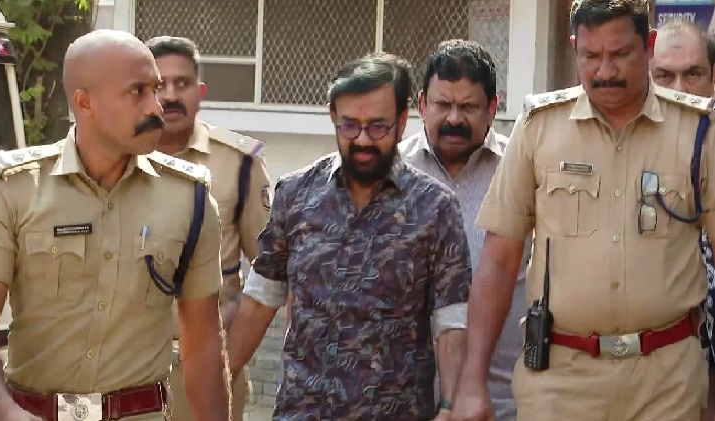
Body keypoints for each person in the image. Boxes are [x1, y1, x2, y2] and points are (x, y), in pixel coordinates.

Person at [451, 1, 714, 420]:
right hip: (560, 382)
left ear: (648, 46)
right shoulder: (539, 125)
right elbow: (499, 260)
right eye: (591, 56)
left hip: (667, 384)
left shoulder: (699, 131)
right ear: (575, 47)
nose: (605, 71)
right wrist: (471, 381)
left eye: (620, 54)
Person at [0, 29, 229, 421]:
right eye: (137, 92)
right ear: (85, 103)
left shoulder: (190, 198)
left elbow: (202, 343)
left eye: (154, 90)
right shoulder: (14, 187)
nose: (156, 107)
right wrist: (4, 412)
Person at [226, 53, 473, 420]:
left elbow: (451, 321)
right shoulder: (295, 195)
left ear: (402, 121)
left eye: (378, 127)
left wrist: (450, 405)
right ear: (332, 117)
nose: (362, 139)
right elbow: (259, 301)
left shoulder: (436, 209)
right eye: (349, 126)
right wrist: (220, 380)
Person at [398, 39, 531, 421]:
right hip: (405, 400)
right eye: (443, 105)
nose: (454, 119)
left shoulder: (522, 170)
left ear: (493, 107)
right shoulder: (392, 174)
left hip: (501, 401)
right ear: (422, 104)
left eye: (468, 107)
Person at [145, 35, 272, 421]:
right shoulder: (119, 159)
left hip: (210, 369)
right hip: (129, 376)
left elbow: (272, 271)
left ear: (200, 91)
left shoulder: (237, 163)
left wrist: (229, 360)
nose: (170, 95)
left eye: (182, 84)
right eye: (159, 85)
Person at [650, 19, 715, 421]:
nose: (680, 90)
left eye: (693, 74)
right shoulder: (623, 147)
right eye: (664, 76)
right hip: (657, 365)